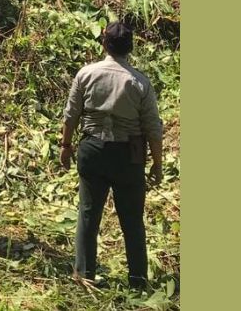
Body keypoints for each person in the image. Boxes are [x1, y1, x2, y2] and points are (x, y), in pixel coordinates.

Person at [59, 22, 164, 289]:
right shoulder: (139, 82)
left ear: (104, 44)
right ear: (129, 48)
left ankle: (85, 274)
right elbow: (153, 128)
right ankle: (138, 280)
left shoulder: (87, 74)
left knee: (87, 213)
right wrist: (157, 165)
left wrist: (65, 145)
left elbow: (71, 115)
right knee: (132, 219)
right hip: (128, 155)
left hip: (92, 149)